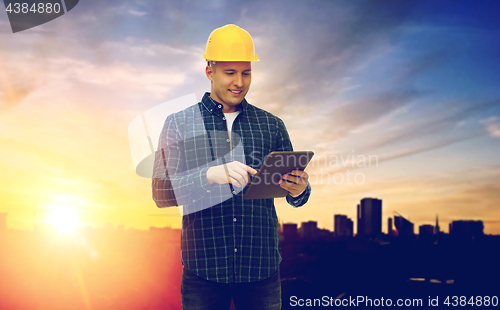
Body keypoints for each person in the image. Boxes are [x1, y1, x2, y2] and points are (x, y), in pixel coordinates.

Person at [152, 24, 311, 310]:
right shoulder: (178, 124)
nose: (240, 82)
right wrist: (207, 175)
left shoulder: (271, 126)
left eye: (246, 72)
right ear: (209, 71)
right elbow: (161, 193)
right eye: (230, 73)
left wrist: (299, 189)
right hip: (203, 272)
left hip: (261, 271)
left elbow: (296, 195)